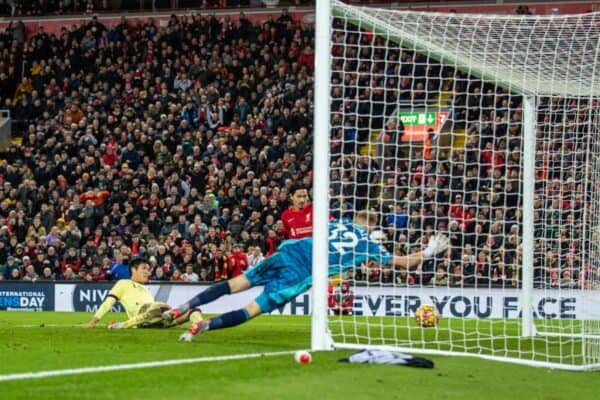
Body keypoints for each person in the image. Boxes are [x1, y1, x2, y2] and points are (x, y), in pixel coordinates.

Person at [163, 210, 449, 341]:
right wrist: (427, 253)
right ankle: (204, 327)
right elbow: (401, 262)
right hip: (300, 273)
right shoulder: (368, 245)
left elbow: (358, 224)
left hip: (288, 252)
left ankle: (184, 307)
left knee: (234, 284)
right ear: (373, 228)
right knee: (252, 309)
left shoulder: (338, 222)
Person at [86, 258, 202, 329]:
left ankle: (199, 327)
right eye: (144, 268)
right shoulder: (123, 283)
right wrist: (94, 321)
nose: (147, 272)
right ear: (133, 270)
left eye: (148, 269)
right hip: (144, 317)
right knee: (159, 307)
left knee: (194, 311)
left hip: (159, 319)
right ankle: (125, 324)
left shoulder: (146, 289)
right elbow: (108, 303)